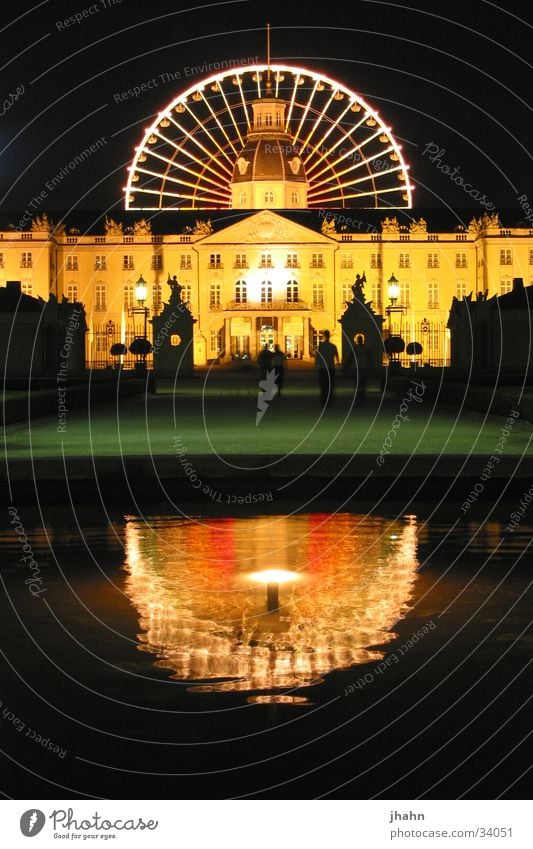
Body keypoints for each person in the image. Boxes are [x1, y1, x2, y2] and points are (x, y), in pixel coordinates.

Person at [316, 330, 339, 407]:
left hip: (322, 368)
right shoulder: (333, 346)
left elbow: (318, 358)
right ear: (329, 336)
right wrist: (337, 365)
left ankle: (324, 401)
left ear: (324, 336)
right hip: (330, 368)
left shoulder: (321, 346)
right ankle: (329, 401)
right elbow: (337, 358)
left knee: (323, 386)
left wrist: (316, 366)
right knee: (330, 385)